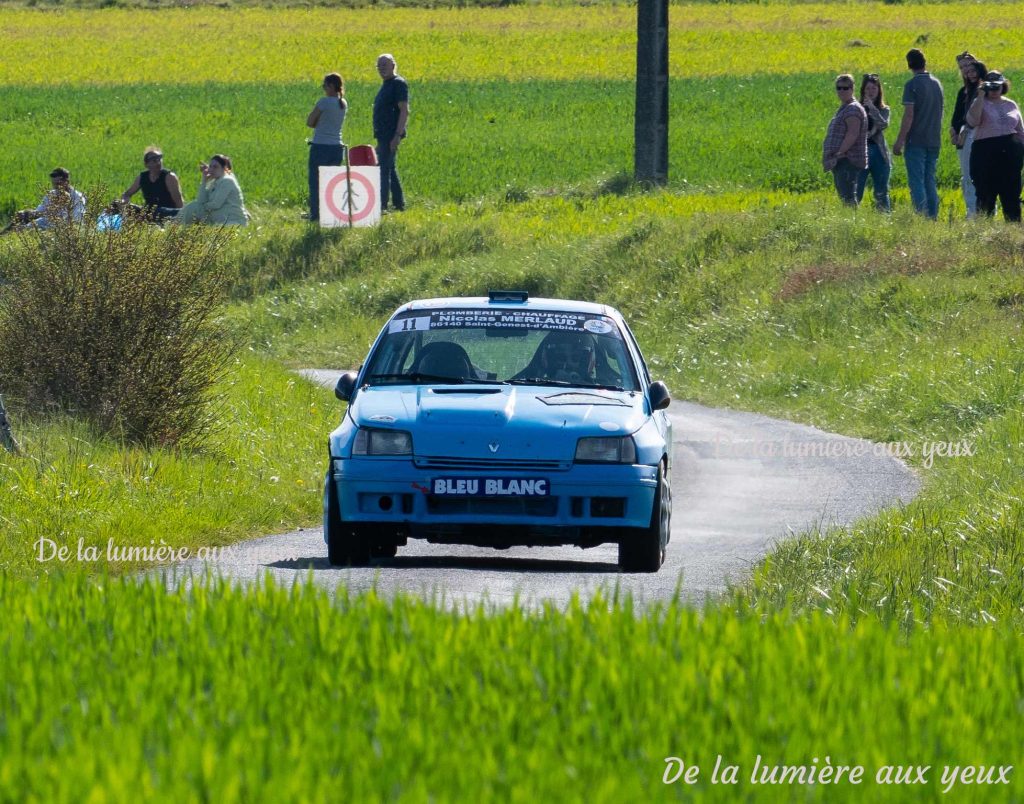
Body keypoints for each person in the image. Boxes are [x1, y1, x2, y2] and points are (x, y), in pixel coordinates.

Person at [892, 48, 945, 219]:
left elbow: (909, 115)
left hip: (916, 140)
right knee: (930, 179)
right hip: (934, 139)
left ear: (909, 65)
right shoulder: (936, 83)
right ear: (925, 62)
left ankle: (922, 217)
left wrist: (900, 141)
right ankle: (933, 217)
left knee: (917, 182)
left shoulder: (912, 85)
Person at [966, 71, 1024, 221]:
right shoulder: (979, 103)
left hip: (1010, 153)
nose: (993, 91)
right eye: (990, 87)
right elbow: (973, 122)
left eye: (997, 87)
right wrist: (979, 95)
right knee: (986, 195)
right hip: (986, 152)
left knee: (1011, 195)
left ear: (1003, 86)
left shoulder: (1010, 104)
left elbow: (1020, 131)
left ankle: (1013, 230)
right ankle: (984, 231)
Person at [306, 72, 348, 221]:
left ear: (331, 86)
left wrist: (319, 122)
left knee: (316, 181)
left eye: (325, 85)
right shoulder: (343, 103)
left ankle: (316, 214)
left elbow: (310, 122)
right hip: (337, 147)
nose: (323, 88)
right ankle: (331, 213)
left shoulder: (323, 102)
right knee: (330, 183)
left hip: (321, 146)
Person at [822, 73, 868, 207]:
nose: (841, 91)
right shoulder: (846, 107)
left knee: (848, 197)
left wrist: (839, 153)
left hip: (848, 159)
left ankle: (851, 224)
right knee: (845, 196)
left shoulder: (852, 109)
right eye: (839, 88)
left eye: (845, 88)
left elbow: (852, 134)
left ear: (852, 88)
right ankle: (849, 221)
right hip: (843, 159)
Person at [950, 53, 986, 218]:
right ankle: (971, 212)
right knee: (967, 178)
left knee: (974, 177)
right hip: (961, 139)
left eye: (968, 67)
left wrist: (963, 129)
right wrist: (953, 130)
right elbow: (958, 114)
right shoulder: (963, 91)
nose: (966, 71)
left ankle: (976, 213)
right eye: (962, 68)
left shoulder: (981, 90)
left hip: (974, 137)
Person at [373, 53, 409, 213]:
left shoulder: (398, 84)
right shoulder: (386, 84)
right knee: (390, 168)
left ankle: (382, 206)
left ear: (393, 66)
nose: (382, 69)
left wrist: (397, 135)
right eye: (379, 66)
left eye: (385, 65)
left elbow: (404, 111)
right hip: (383, 134)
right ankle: (399, 204)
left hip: (390, 134)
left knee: (383, 169)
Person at [1, 167, 86, 235]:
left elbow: (76, 220)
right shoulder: (52, 194)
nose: (55, 187)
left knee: (25, 230)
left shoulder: (77, 197)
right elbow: (40, 211)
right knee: (21, 218)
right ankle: (2, 236)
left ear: (66, 182)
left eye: (58, 184)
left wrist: (52, 215)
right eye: (53, 184)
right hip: (46, 221)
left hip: (65, 227)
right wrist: (27, 213)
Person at [174, 154, 250, 227]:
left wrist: (201, 206)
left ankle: (174, 226)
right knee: (193, 206)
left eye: (215, 167)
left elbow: (215, 204)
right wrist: (204, 180)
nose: (211, 169)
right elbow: (201, 200)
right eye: (210, 166)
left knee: (195, 207)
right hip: (218, 220)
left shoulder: (227, 181)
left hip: (232, 221)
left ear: (224, 168)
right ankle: (175, 226)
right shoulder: (213, 181)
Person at [856, 73, 892, 211]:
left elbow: (883, 125)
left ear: (879, 90)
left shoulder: (884, 109)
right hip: (860, 151)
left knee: (881, 192)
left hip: (878, 152)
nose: (871, 92)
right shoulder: (857, 108)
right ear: (863, 90)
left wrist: (872, 108)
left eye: (874, 89)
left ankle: (884, 220)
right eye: (868, 89)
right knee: (856, 189)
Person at [120, 146, 184, 221]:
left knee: (158, 210)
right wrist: (124, 201)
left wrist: (182, 218)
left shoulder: (169, 177)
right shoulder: (142, 177)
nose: (158, 162)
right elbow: (127, 193)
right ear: (146, 164)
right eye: (154, 160)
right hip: (149, 212)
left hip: (167, 212)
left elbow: (179, 202)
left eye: (159, 159)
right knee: (115, 205)